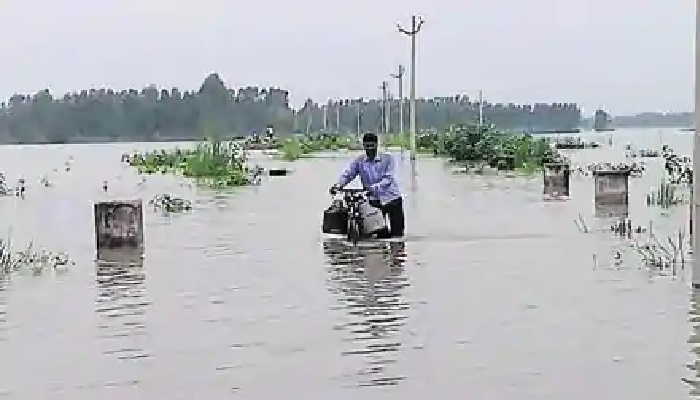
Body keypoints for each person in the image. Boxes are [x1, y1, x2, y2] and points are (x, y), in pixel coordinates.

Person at [329, 132, 405, 238]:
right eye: (367, 146)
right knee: (377, 233)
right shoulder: (360, 161)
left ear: (377, 145)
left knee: (397, 236)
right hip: (374, 202)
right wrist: (338, 185)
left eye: (372, 146)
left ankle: (397, 253)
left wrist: (372, 188)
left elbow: (388, 179)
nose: (370, 149)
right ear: (363, 146)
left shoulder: (388, 158)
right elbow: (349, 174)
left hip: (392, 199)